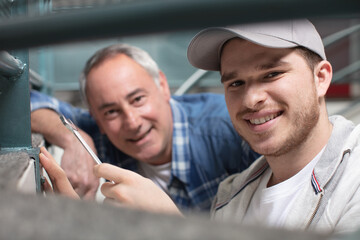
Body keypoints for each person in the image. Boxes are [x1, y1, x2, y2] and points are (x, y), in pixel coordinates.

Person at [31, 43, 259, 211]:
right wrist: (72, 138)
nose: (132, 121)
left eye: (138, 99)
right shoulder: (99, 133)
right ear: (97, 120)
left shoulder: (231, 130)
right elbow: (21, 102)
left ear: (163, 86)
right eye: (111, 111)